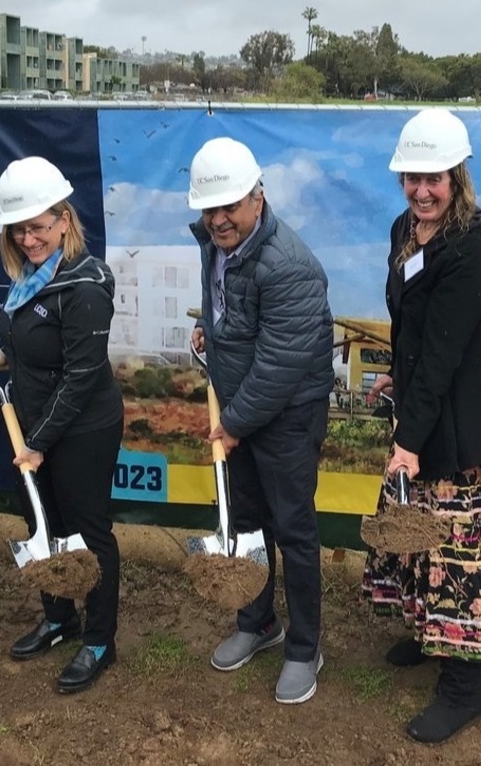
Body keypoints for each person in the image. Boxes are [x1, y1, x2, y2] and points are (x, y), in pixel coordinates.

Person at [359, 108, 481, 744]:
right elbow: (412, 331)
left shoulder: (471, 250)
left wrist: (408, 440)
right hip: (427, 408)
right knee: (420, 540)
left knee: (460, 552)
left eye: (433, 178)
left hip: (468, 430)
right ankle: (430, 634)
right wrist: (396, 381)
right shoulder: (404, 232)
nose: (422, 191)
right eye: (412, 178)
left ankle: (463, 688)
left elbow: (444, 351)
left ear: (457, 176)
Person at [187, 136, 334, 705]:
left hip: (286, 414)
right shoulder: (216, 243)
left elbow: (281, 363)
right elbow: (232, 307)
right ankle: (257, 622)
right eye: (210, 208)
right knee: (246, 521)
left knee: (293, 530)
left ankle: (304, 647)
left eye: (230, 207)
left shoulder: (289, 265)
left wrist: (235, 422)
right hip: (242, 410)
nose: (219, 219)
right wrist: (212, 328)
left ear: (258, 198)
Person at [0, 156, 124, 695]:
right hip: (34, 427)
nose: (29, 238)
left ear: (64, 219)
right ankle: (60, 619)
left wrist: (35, 444)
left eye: (39, 226)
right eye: (20, 228)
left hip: (81, 429)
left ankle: (100, 640)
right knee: (43, 526)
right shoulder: (31, 279)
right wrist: (3, 356)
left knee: (88, 533)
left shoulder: (85, 285)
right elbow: (41, 348)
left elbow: (80, 375)